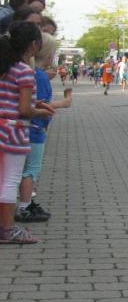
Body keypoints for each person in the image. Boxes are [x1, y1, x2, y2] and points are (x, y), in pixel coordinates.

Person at [0, 21, 54, 244]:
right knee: (10, 180)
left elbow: (11, 99)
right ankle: (7, 229)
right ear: (33, 45)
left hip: (2, 126)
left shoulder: (6, 67)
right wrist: (39, 111)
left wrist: (33, 102)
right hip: (15, 131)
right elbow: (23, 109)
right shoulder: (24, 71)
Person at [15, 33, 72, 224]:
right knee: (31, 169)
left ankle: (25, 203)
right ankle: (25, 206)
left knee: (24, 169)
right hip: (34, 128)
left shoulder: (32, 72)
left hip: (27, 127)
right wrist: (63, 103)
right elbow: (39, 103)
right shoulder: (37, 75)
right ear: (48, 54)